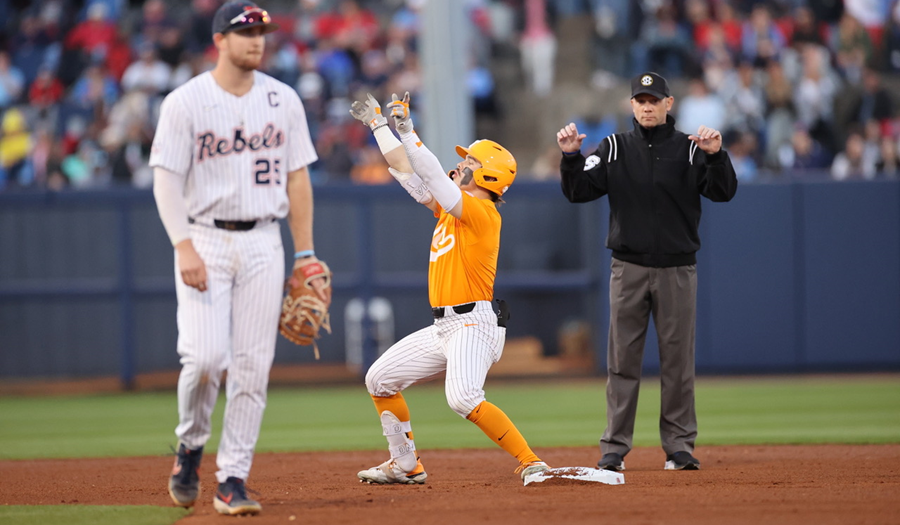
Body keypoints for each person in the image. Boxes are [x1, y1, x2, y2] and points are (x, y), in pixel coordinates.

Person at [149, 1, 328, 516]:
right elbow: (165, 178)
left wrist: (307, 252)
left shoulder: (283, 99)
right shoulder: (186, 102)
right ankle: (190, 446)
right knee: (205, 359)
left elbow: (297, 177)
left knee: (253, 367)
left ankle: (232, 478)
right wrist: (182, 243)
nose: (256, 40)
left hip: (263, 242)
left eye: (261, 32)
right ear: (219, 40)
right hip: (204, 236)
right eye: (244, 32)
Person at [348, 92, 549, 485]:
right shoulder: (451, 209)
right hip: (446, 327)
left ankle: (531, 462)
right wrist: (378, 125)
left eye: (471, 161)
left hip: (474, 325)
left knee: (463, 398)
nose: (463, 163)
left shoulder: (482, 213)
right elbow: (407, 170)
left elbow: (434, 174)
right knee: (379, 379)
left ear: (489, 176)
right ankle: (406, 464)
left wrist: (407, 129)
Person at [556, 71, 737, 472]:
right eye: (641, 100)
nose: (648, 106)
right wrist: (570, 157)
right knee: (622, 362)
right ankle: (615, 449)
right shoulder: (614, 147)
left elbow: (723, 191)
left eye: (654, 99)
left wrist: (716, 154)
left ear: (669, 104)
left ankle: (678, 447)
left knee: (678, 363)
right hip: (629, 267)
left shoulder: (691, 149)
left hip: (677, 269)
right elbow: (578, 191)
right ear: (632, 105)